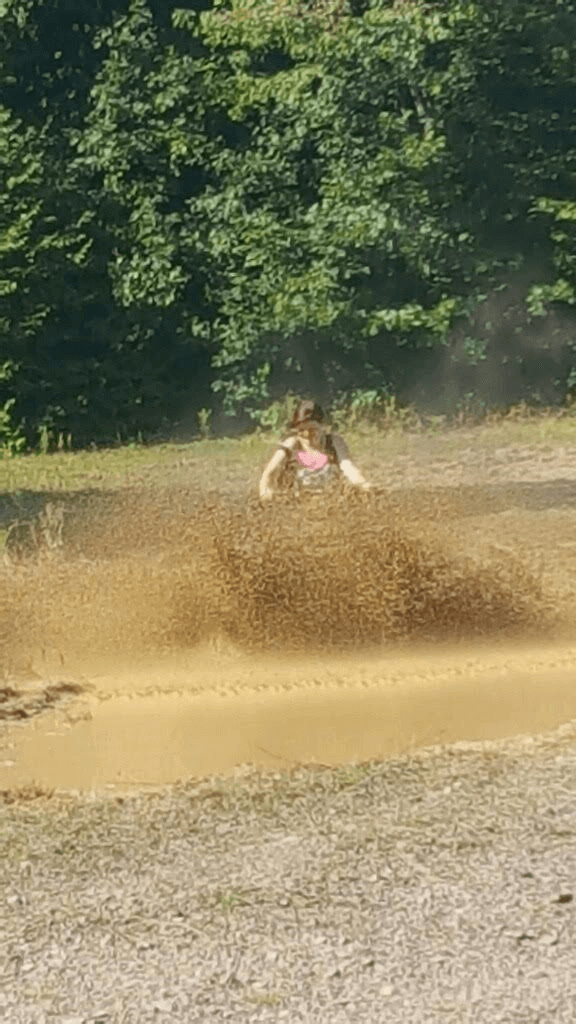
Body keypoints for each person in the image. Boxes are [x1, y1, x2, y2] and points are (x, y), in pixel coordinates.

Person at [258, 399, 372, 502]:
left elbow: (348, 467)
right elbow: (269, 473)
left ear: (322, 427)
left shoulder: (334, 443)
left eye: (312, 430)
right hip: (296, 501)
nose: (307, 435)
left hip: (330, 501)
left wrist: (365, 485)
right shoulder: (291, 444)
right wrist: (265, 492)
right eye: (302, 430)